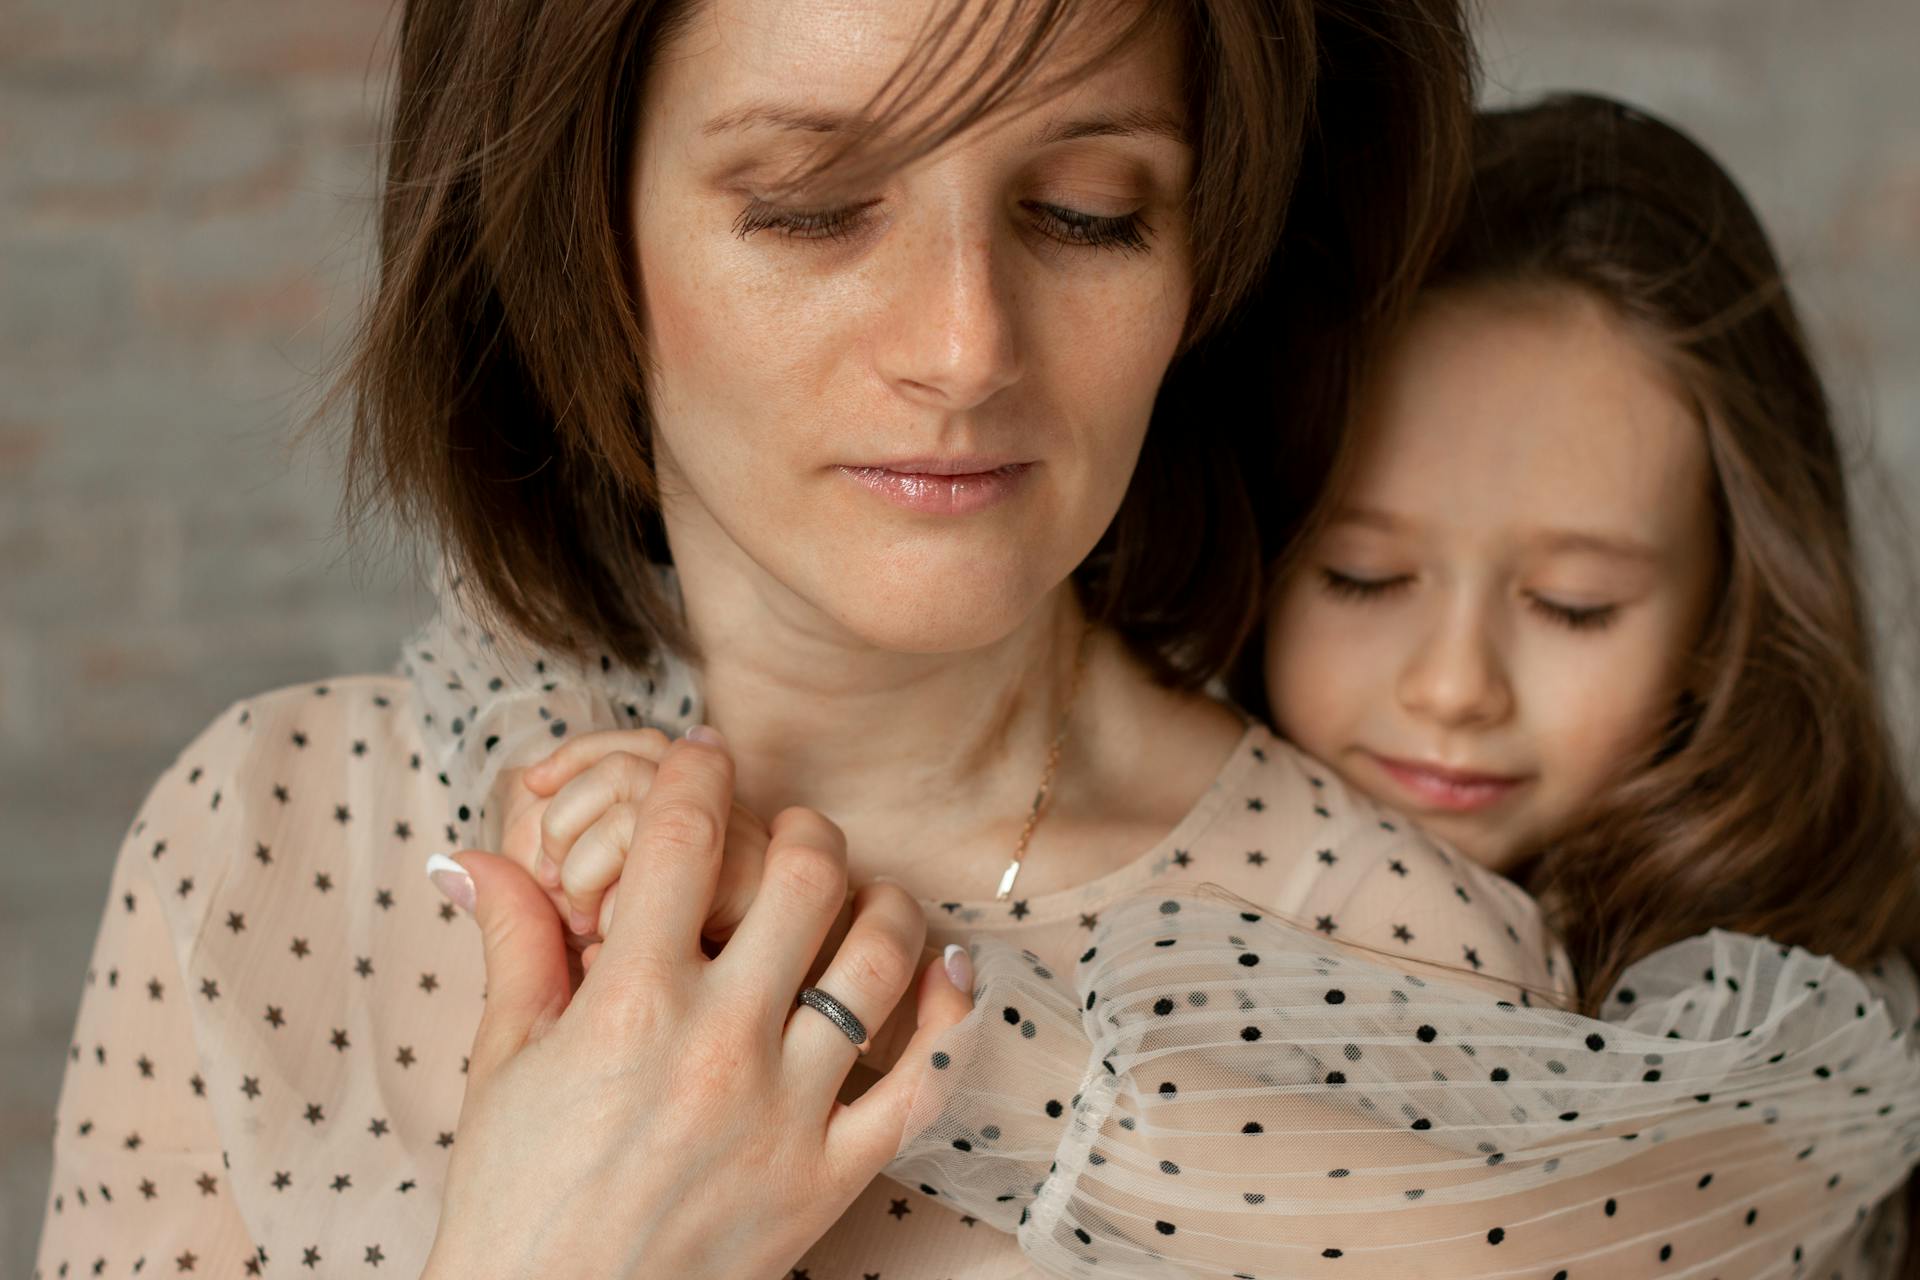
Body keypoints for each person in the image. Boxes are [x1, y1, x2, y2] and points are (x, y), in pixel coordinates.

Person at [30, 1, 1515, 1277]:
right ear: (584, 233)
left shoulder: (1411, 963)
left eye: (1085, 212)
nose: (963, 348)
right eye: (813, 204)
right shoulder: (272, 837)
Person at [426, 94, 1920, 1277]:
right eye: (1362, 579)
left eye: (1573, 604)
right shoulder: (433, 752)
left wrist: (856, 990)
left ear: (1729, 622)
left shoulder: (1739, 1051)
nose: (1454, 690)